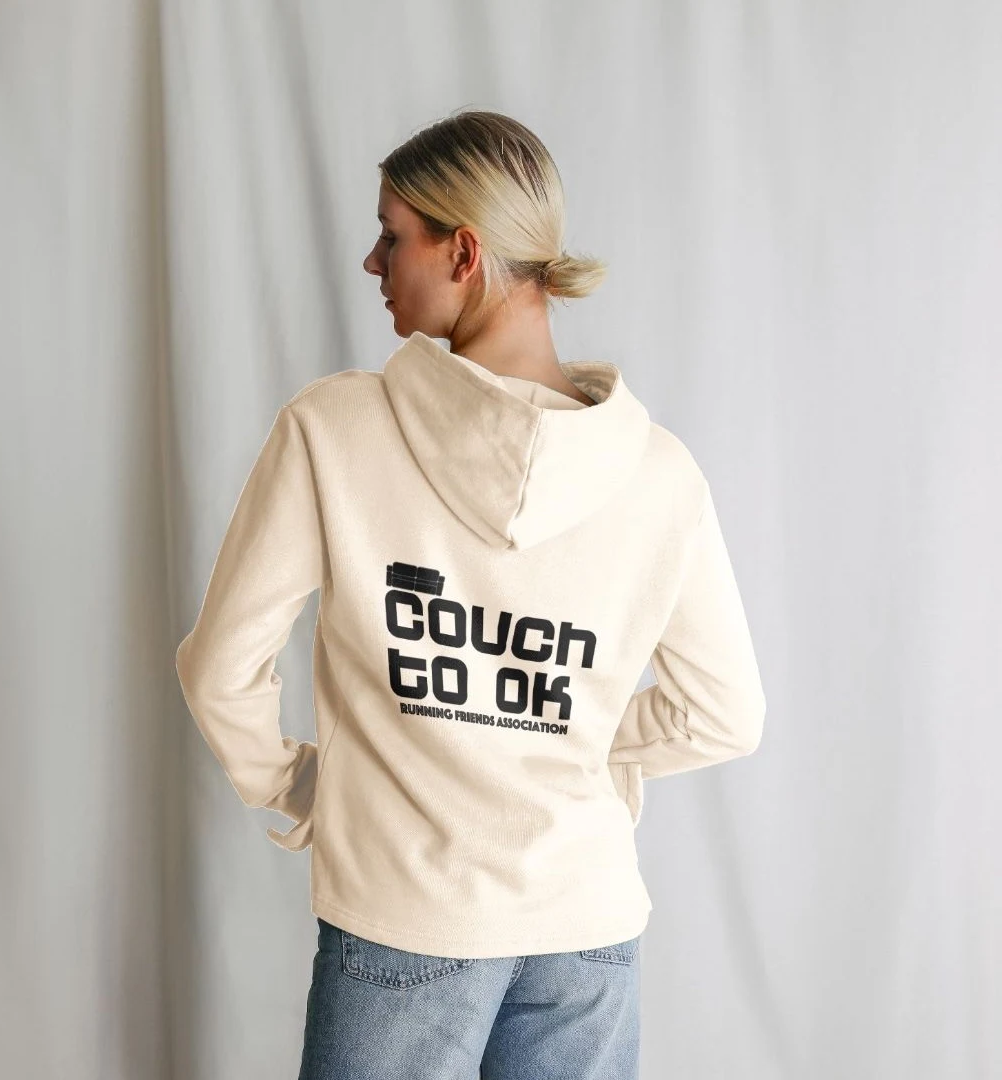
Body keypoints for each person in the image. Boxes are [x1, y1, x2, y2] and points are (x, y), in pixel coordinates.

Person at [175, 108, 766, 1080]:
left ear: (463, 252)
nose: (372, 262)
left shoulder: (334, 431)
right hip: (586, 935)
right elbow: (725, 713)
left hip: (404, 915)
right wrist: (569, 742)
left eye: (391, 235)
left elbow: (218, 671)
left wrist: (308, 786)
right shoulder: (660, 475)